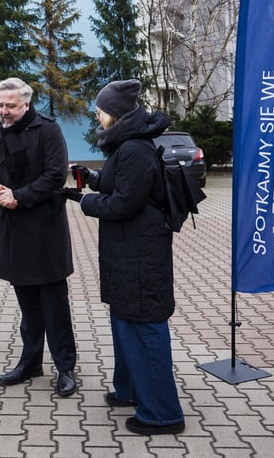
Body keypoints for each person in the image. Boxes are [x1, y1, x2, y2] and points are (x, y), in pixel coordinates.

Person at [62, 78, 186, 435]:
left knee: (144, 324)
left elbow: (123, 203)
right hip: (128, 251)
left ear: (115, 113)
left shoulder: (135, 149)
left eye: (100, 110)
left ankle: (162, 413)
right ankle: (130, 390)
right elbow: (119, 183)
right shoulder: (127, 145)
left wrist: (86, 201)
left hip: (141, 254)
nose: (96, 116)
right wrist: (91, 179)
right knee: (125, 321)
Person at [0, 77, 78, 397]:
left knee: (54, 306)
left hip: (45, 230)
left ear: (26, 103)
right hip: (13, 229)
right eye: (0, 105)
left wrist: (19, 196)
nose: (4, 111)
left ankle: (65, 367)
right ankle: (31, 361)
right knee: (28, 306)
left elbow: (55, 174)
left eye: (10, 105)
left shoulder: (48, 130)